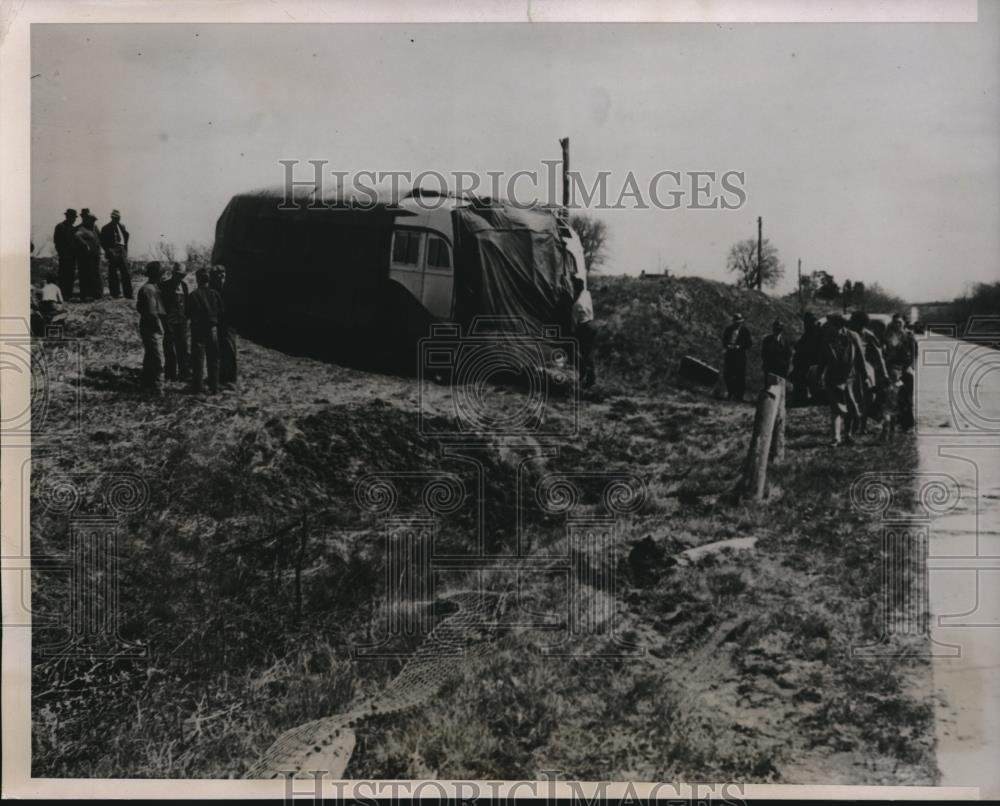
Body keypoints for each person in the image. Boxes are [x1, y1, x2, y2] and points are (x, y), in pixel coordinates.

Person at [823, 313, 867, 447]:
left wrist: (865, 377)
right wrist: (818, 374)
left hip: (850, 378)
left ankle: (848, 435)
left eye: (832, 324)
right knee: (836, 408)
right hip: (833, 377)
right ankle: (836, 438)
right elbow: (822, 358)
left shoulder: (853, 337)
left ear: (840, 325)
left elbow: (860, 358)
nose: (830, 327)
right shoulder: (828, 338)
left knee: (851, 408)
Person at [849, 310, 889, 434]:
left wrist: (885, 374)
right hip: (852, 370)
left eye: (854, 321)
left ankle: (862, 426)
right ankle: (854, 425)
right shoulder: (848, 334)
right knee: (853, 398)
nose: (852, 323)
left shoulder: (868, 335)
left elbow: (879, 356)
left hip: (866, 370)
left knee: (867, 399)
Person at [188, 268, 224, 395]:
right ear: (208, 279)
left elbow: (188, 313)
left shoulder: (193, 295)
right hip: (213, 329)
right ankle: (214, 387)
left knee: (198, 359)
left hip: (198, 330)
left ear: (197, 279)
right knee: (214, 358)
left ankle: (198, 388)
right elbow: (221, 311)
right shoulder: (215, 294)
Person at [883, 313, 918, 431]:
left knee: (907, 397)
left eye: (899, 322)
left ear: (903, 323)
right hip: (893, 369)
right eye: (895, 322)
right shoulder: (888, 335)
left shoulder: (909, 336)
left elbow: (914, 352)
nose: (897, 324)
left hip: (906, 369)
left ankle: (908, 424)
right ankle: (895, 421)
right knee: (893, 396)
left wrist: (912, 366)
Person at [136, 262, 167, 395]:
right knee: (158, 358)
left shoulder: (152, 288)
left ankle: (147, 384)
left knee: (150, 356)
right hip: (152, 327)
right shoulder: (149, 289)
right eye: (162, 274)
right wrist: (159, 325)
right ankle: (157, 388)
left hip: (151, 326)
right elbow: (151, 312)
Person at [159, 262, 191, 383]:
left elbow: (186, 303)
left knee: (183, 347)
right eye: (178, 274)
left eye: (182, 275)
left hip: (182, 322)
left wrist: (187, 318)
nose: (180, 277)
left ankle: (184, 373)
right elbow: (160, 304)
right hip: (169, 322)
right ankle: (170, 374)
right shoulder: (164, 286)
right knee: (169, 348)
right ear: (173, 273)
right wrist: (164, 319)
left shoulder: (184, 286)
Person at [210, 265, 238, 389]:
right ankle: (222, 376)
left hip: (228, 324)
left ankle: (231, 379)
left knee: (230, 350)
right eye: (217, 276)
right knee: (219, 350)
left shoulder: (230, 289)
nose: (220, 278)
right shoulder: (213, 289)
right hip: (218, 323)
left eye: (222, 275)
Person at [790, 311, 826, 406]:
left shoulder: (818, 332)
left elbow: (817, 347)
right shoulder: (809, 332)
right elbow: (801, 346)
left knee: (814, 383)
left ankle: (812, 399)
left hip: (814, 362)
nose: (808, 324)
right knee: (800, 380)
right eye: (807, 321)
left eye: (810, 321)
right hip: (805, 363)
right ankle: (801, 399)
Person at [99, 209, 133, 299]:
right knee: (113, 273)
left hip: (122, 249)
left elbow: (125, 238)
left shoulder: (122, 226)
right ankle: (115, 293)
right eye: (114, 217)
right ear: (111, 217)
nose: (116, 219)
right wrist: (109, 250)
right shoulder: (106, 228)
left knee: (126, 272)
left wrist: (125, 251)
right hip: (112, 249)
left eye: (118, 217)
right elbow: (102, 241)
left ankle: (128, 294)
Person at [571, 276, 597, 389]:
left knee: (581, 353)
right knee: (588, 353)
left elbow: (574, 320)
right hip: (592, 324)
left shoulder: (578, 305)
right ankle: (588, 377)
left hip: (584, 327)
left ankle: (587, 377)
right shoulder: (587, 294)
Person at [721, 313, 752, 401]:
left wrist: (740, 346)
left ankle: (739, 396)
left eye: (739, 322)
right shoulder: (728, 330)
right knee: (728, 374)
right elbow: (724, 340)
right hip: (730, 355)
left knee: (740, 376)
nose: (737, 324)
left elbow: (749, 343)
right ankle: (730, 392)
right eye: (735, 322)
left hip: (740, 356)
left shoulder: (745, 331)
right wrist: (728, 346)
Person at [74, 209, 103, 301]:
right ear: (85, 219)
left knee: (96, 274)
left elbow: (100, 239)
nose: (93, 222)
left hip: (95, 255)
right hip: (84, 257)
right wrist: (85, 245)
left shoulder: (95, 228)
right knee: (85, 274)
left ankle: (97, 294)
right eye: (91, 220)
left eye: (93, 220)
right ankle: (85, 295)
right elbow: (76, 236)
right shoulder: (80, 228)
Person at [53, 209, 79, 299]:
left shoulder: (73, 228)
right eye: (73, 217)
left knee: (71, 275)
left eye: (74, 218)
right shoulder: (60, 227)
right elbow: (57, 242)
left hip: (72, 255)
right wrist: (62, 253)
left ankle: (69, 293)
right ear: (68, 217)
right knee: (63, 274)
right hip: (64, 255)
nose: (74, 219)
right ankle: (62, 294)